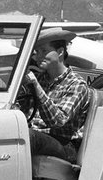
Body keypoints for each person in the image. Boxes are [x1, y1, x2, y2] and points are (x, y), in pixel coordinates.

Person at [23, 33, 92, 161]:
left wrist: (36, 87)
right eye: (37, 51)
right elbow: (21, 109)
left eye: (44, 51)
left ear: (60, 52)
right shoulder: (40, 79)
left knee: (26, 136)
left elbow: (58, 121)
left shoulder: (76, 84)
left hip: (65, 144)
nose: (38, 56)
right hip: (38, 136)